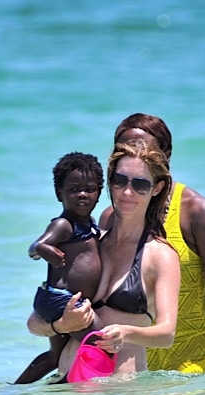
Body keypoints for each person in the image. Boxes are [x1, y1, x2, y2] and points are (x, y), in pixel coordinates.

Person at [26, 139, 181, 378]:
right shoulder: (90, 243)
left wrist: (124, 332)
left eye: (140, 184)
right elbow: (34, 323)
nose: (127, 192)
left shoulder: (160, 255)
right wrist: (60, 326)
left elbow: (166, 335)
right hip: (66, 387)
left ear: (157, 188)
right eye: (119, 181)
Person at [99, 113, 205, 373]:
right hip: (135, 369)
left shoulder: (197, 212)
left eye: (144, 149)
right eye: (124, 149)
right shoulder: (110, 217)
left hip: (192, 368)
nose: (135, 156)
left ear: (166, 155)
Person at [14, 152, 104, 383]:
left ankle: (18, 387)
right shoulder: (63, 225)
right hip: (60, 301)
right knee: (100, 341)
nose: (82, 194)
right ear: (58, 193)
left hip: (59, 299)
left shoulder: (91, 225)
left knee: (57, 356)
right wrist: (45, 250)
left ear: (99, 192)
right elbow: (35, 246)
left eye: (89, 188)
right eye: (73, 189)